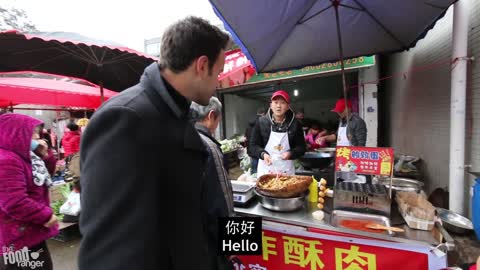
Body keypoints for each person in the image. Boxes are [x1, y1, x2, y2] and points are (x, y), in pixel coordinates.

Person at [78, 17, 230, 270]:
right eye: (219, 72)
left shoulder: (174, 114)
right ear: (203, 66)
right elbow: (107, 247)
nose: (219, 83)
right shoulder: (125, 118)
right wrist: (238, 250)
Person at [0, 113, 59, 270]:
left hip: (29, 232)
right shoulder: (7, 160)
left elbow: (47, 176)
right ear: (15, 132)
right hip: (19, 237)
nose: (36, 137)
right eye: (32, 132)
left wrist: (45, 155)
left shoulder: (25, 156)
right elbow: (14, 202)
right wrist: (45, 215)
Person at [190, 97, 234, 270]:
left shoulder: (180, 137)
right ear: (211, 116)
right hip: (209, 243)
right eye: (218, 120)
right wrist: (235, 243)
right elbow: (222, 199)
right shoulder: (209, 146)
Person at [249, 90, 306, 177]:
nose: (278, 106)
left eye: (282, 103)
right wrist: (263, 154)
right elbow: (253, 146)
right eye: (275, 102)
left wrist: (291, 153)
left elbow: (302, 147)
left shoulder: (295, 124)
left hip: (286, 171)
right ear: (271, 105)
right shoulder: (261, 122)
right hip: (266, 171)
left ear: (287, 106)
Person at [245, 107, 266, 174]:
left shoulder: (249, 123)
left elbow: (246, 136)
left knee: (254, 167)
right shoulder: (262, 123)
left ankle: (253, 180)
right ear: (263, 114)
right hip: (259, 149)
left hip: (250, 148)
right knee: (261, 168)